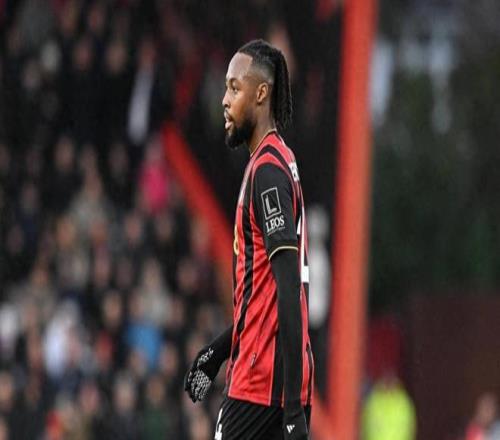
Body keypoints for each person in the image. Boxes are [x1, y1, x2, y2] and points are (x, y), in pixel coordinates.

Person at [184, 39, 313, 440]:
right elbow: (264, 297)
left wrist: (292, 409)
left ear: (260, 94)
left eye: (234, 88)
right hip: (270, 381)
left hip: (260, 388)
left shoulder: (268, 173)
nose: (224, 100)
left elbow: (289, 289)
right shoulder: (274, 160)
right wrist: (216, 353)